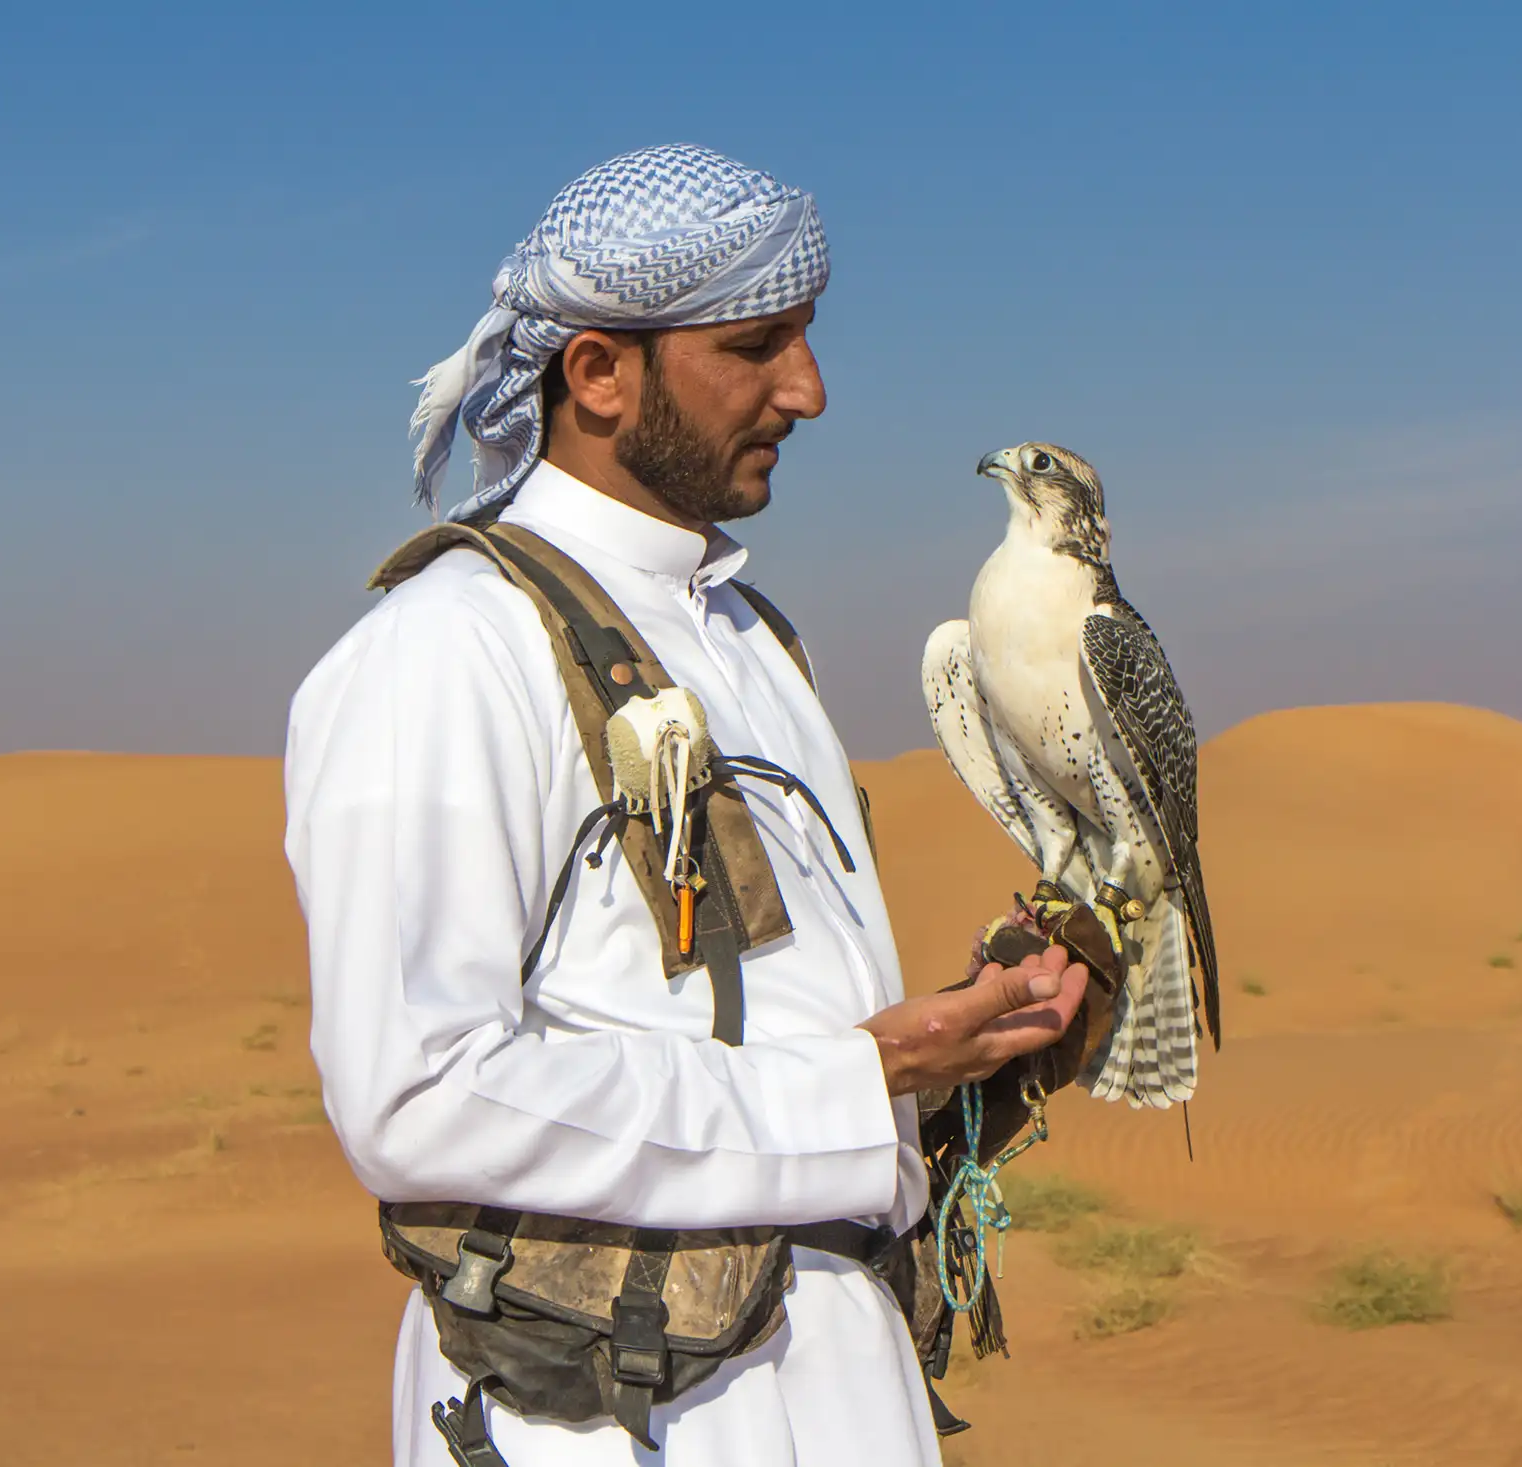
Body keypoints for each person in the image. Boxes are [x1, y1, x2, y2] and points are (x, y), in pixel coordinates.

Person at [284, 144, 1089, 1467]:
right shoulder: (447, 651)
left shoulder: (751, 640)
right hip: (609, 1418)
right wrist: (863, 1073)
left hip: (833, 1388)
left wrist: (963, 1056)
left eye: (807, 340)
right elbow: (415, 1092)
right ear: (598, 372)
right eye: (757, 345)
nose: (810, 390)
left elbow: (745, 1036)